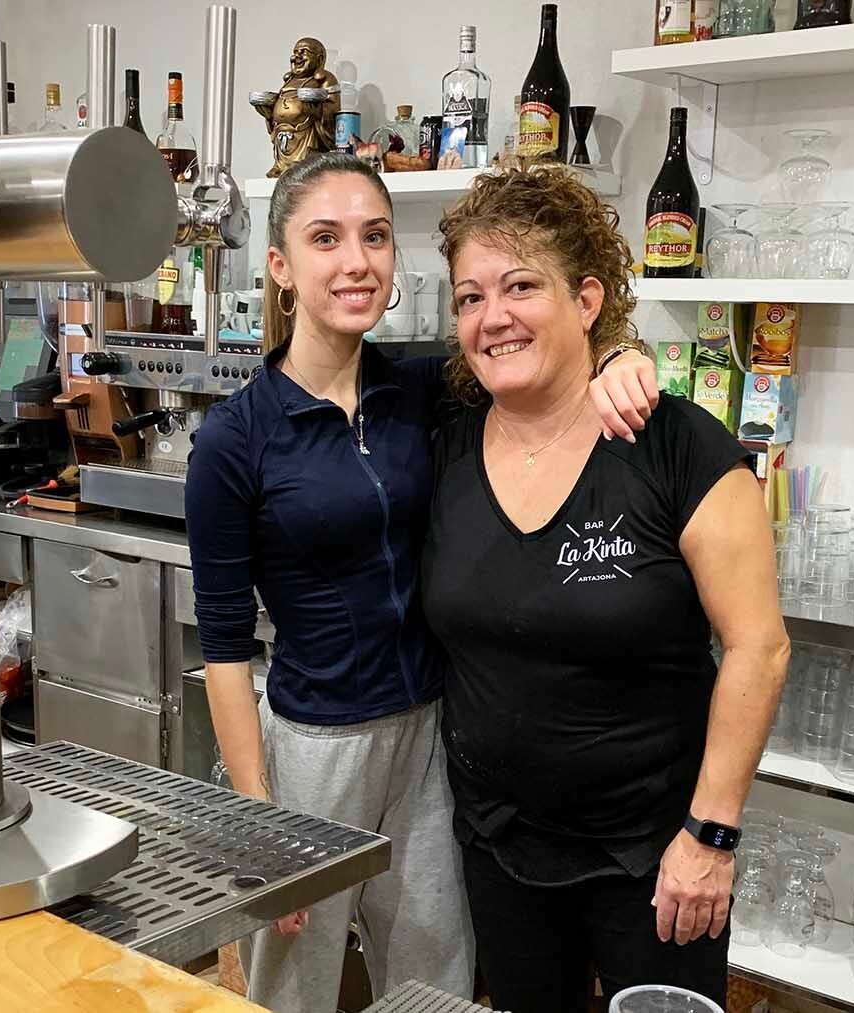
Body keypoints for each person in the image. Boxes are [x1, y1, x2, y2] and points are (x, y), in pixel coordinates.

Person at [183, 153, 656, 1012]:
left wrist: (621, 349)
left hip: (434, 737)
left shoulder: (419, 387)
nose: (355, 261)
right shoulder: (236, 440)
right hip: (315, 748)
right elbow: (222, 648)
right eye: (325, 239)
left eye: (373, 236)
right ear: (282, 268)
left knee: (433, 972)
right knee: (289, 984)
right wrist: (258, 819)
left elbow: (530, 341)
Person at [420, 167, 790, 1013]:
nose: (493, 316)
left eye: (522, 286)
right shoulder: (445, 447)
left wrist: (711, 835)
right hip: (498, 848)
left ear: (587, 299)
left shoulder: (675, 447)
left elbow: (760, 647)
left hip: (657, 860)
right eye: (470, 297)